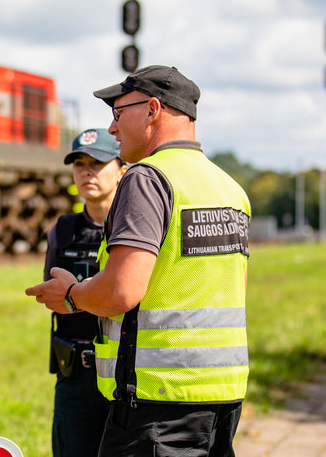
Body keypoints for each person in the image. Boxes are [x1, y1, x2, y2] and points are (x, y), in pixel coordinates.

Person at [26, 65, 251, 457]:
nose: (113, 129)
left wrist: (71, 295)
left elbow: (120, 291)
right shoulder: (229, 189)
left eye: (117, 114)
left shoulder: (149, 179)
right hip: (223, 398)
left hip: (157, 403)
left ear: (151, 110)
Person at [44, 128, 126, 457]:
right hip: (75, 375)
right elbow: (53, 297)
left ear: (122, 171)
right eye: (79, 163)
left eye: (97, 162)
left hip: (125, 375)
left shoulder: (133, 230)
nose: (87, 171)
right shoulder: (63, 230)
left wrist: (76, 294)